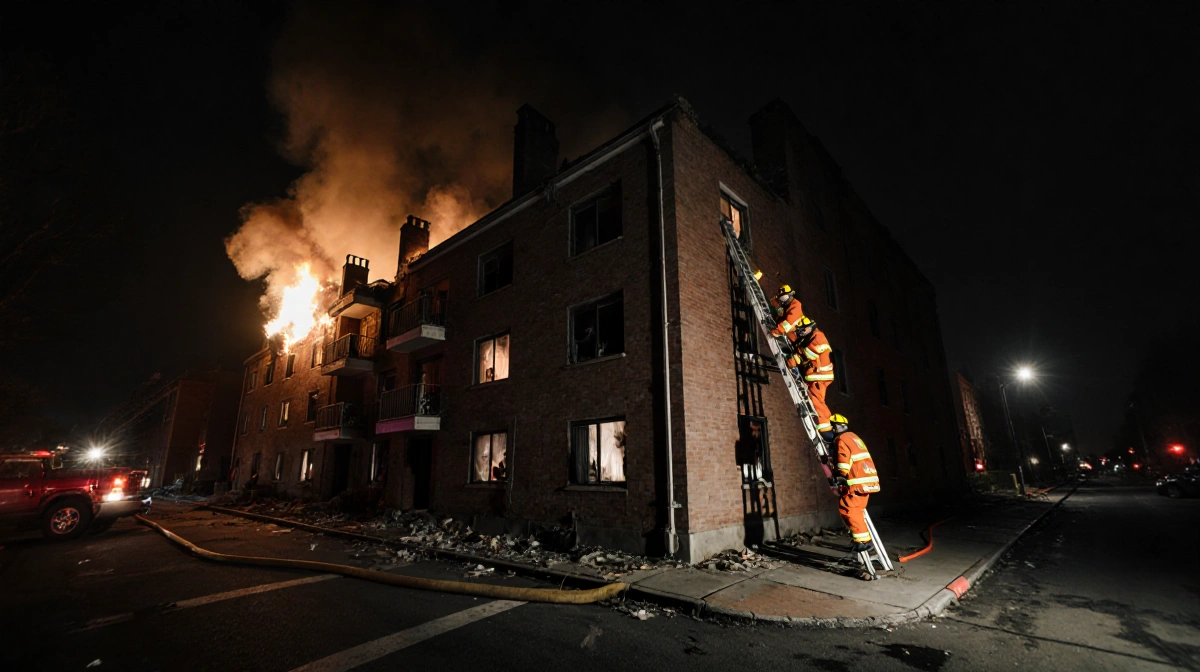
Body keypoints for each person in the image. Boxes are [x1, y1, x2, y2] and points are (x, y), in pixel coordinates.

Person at [825, 414, 881, 555]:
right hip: (867, 481)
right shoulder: (854, 437)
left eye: (832, 426)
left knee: (849, 511)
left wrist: (840, 475)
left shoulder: (842, 439)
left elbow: (843, 458)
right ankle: (863, 541)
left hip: (855, 484)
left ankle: (863, 542)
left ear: (836, 426)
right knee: (857, 511)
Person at [791, 316, 836, 438]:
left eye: (802, 330)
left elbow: (811, 353)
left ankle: (826, 431)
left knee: (817, 402)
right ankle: (824, 427)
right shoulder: (808, 338)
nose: (800, 332)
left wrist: (798, 353)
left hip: (820, 376)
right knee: (814, 399)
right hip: (814, 376)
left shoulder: (818, 336)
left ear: (810, 327)